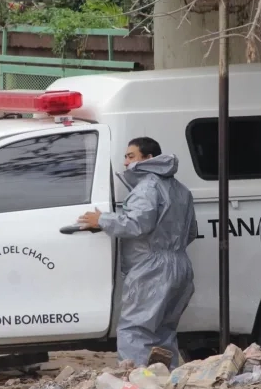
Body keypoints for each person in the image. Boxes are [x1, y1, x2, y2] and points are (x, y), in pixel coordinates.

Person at [78, 137, 197, 369]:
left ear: (149, 159)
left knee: (136, 330)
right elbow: (191, 231)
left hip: (151, 268)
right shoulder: (181, 190)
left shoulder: (147, 187)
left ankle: (139, 383)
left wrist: (101, 219)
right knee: (163, 330)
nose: (125, 162)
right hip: (180, 265)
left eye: (131, 156)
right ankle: (165, 380)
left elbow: (136, 224)